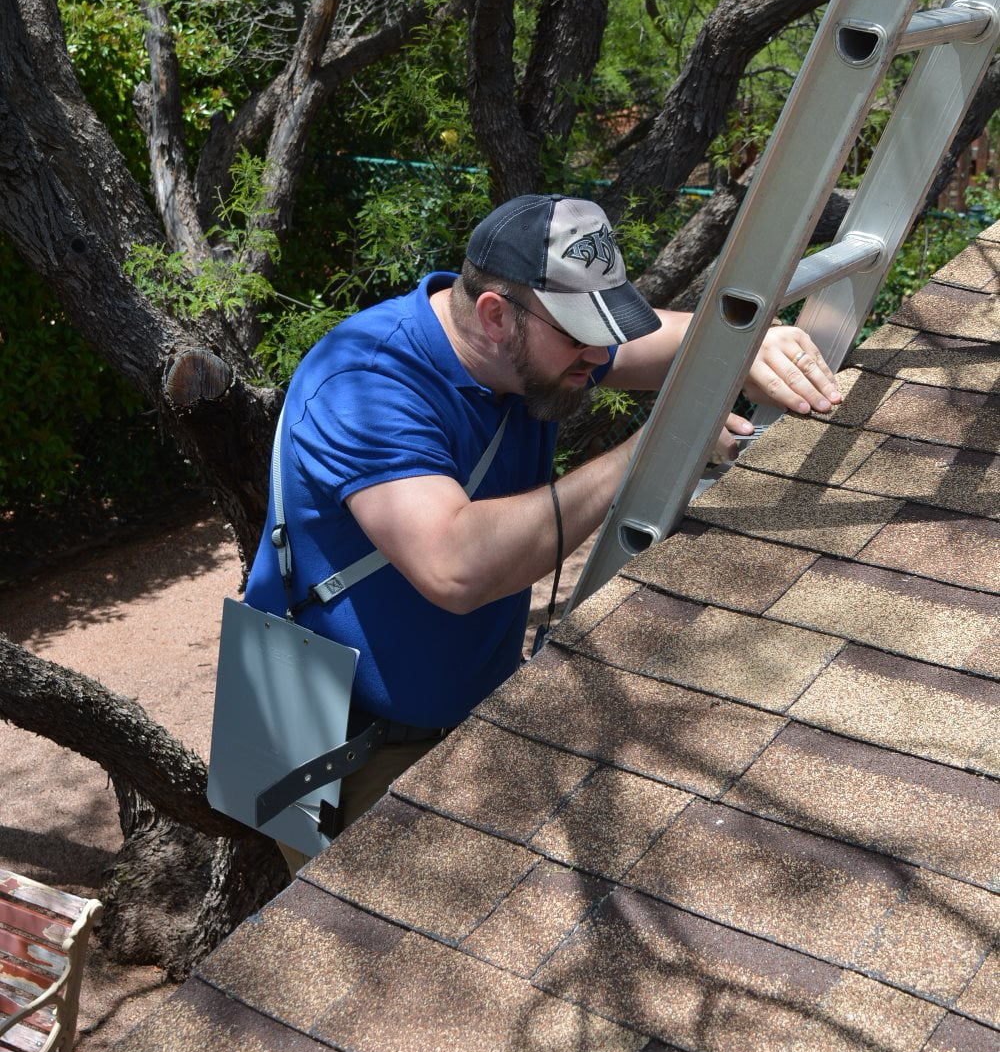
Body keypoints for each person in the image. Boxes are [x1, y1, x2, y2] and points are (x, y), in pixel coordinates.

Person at [245, 193, 841, 852]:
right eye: (582, 334)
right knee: (349, 940)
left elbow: (683, 345)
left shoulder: (538, 346)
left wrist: (753, 345)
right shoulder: (363, 384)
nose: (601, 353)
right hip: (329, 739)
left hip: (453, 713)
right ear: (497, 316)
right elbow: (454, 564)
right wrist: (656, 449)